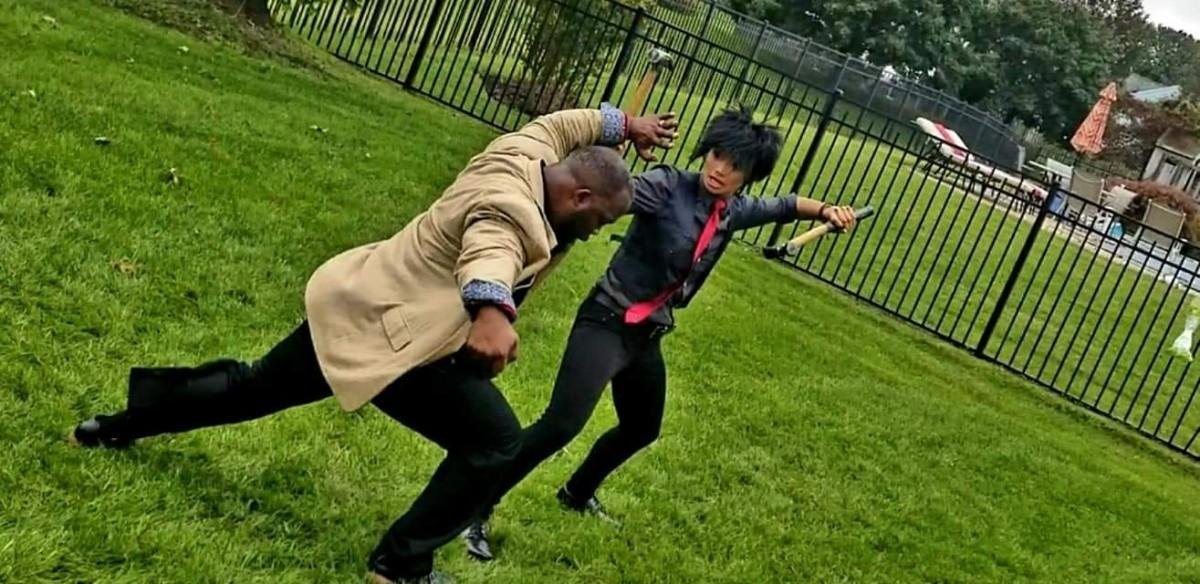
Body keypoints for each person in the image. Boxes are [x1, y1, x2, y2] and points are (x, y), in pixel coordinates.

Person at [69, 105, 679, 584]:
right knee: (494, 442)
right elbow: (490, 246)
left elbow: (562, 124)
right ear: (578, 198)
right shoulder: (513, 208)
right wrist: (492, 310)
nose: (595, 233)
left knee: (252, 387)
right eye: (599, 221)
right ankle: (399, 565)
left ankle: (115, 425)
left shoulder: (522, 152)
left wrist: (625, 125)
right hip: (396, 343)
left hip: (360, 302)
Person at [462, 106, 858, 561]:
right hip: (608, 320)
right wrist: (598, 173)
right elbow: (615, 196)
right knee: (560, 425)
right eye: (716, 155)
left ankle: (576, 492)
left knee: (641, 427)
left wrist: (827, 211)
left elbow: (784, 206)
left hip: (647, 336)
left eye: (735, 166)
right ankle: (473, 508)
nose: (719, 169)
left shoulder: (732, 211)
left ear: (749, 176)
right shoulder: (668, 187)